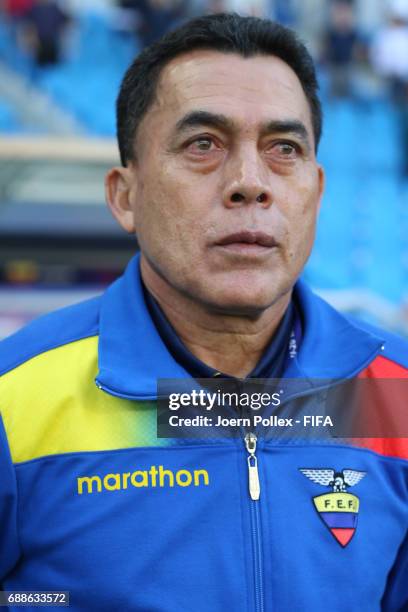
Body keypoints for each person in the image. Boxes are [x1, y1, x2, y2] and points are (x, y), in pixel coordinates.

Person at [0, 13, 407, 612]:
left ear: (317, 193)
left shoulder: (396, 392)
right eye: (203, 144)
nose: (250, 183)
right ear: (124, 196)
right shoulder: (13, 397)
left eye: (283, 148)